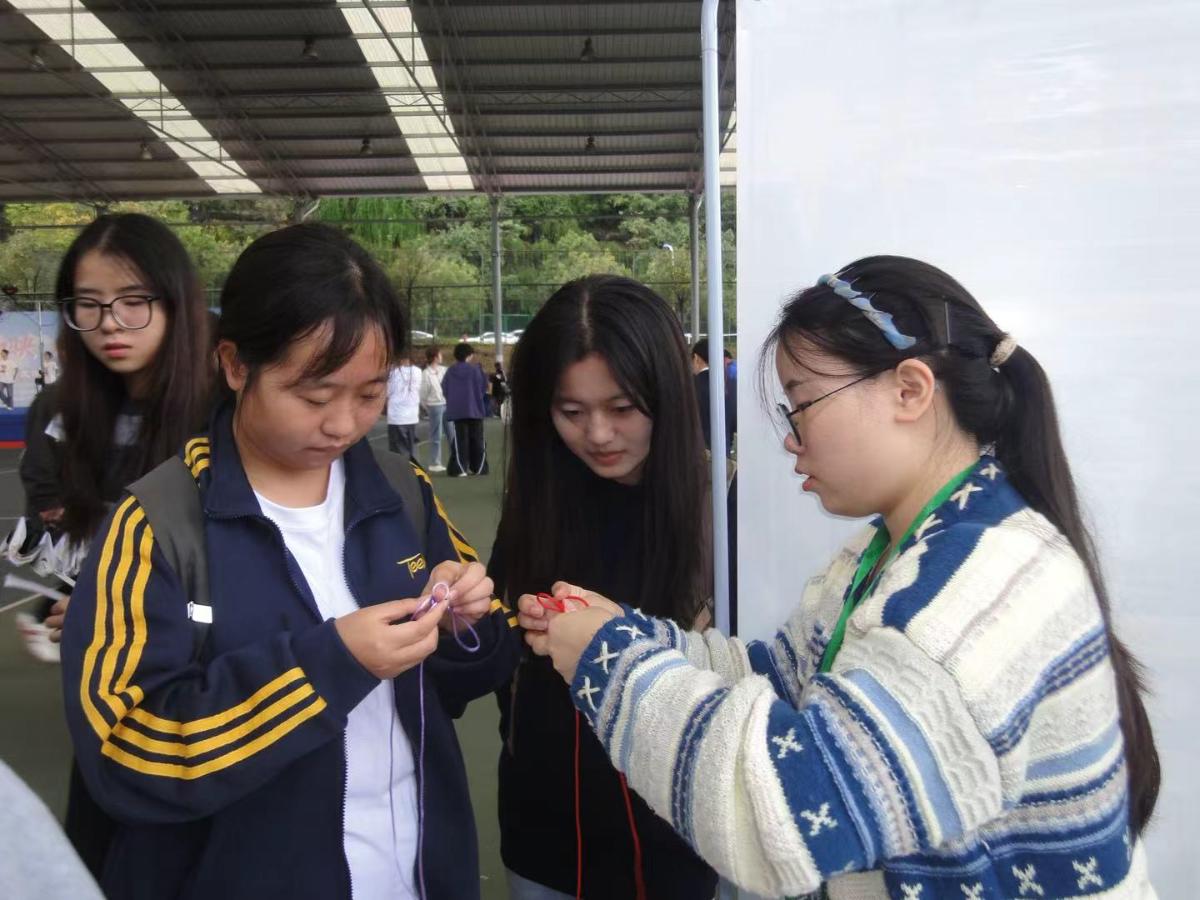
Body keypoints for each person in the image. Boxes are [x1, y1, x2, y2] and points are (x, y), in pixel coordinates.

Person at [521, 256, 1160, 899]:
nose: (790, 438)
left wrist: (608, 659)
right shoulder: (888, 550)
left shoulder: (983, 588)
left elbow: (784, 812)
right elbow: (781, 675)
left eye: (802, 403)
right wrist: (626, 630)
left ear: (910, 390)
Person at [61, 223, 518, 900]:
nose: (343, 424)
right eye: (314, 396)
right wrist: (329, 663)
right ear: (235, 365)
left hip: (415, 878)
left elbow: (481, 662)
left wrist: (465, 622)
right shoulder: (155, 525)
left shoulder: (400, 491)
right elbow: (125, 755)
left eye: (369, 394)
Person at [490, 275, 718, 899]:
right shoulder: (535, 502)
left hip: (677, 844)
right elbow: (500, 664)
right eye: (571, 412)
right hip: (542, 839)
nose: (597, 434)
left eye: (622, 409)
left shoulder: (722, 514)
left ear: (669, 395)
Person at [4, 213, 213, 878]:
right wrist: (83, 601)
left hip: (209, 694)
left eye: (132, 301)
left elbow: (251, 560)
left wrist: (127, 610)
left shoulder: (224, 409)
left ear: (174, 302)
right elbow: (66, 528)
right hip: (107, 695)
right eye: (88, 305)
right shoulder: (64, 409)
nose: (109, 324)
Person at [443, 342, 489, 477]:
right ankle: (479, 468)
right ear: (469, 355)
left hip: (458, 411)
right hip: (475, 409)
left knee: (460, 440)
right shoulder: (475, 370)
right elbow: (483, 387)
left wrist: (453, 400)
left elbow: (445, 388)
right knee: (477, 439)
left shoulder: (450, 371)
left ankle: (460, 468)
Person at [691, 338, 734, 454]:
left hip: (699, 452)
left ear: (696, 358)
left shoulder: (690, 386)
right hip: (723, 451)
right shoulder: (726, 383)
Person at [419, 345, 448, 473]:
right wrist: (427, 406)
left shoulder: (444, 370)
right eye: (440, 355)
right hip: (434, 405)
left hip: (447, 404)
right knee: (436, 435)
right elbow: (423, 394)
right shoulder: (426, 373)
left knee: (451, 433)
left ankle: (455, 461)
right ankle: (434, 462)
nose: (442, 357)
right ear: (435, 357)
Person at [387, 350, 421, 458]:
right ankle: (415, 467)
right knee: (412, 447)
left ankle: (402, 468)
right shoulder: (418, 371)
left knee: (398, 451)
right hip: (412, 414)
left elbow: (387, 392)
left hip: (396, 415)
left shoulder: (392, 372)